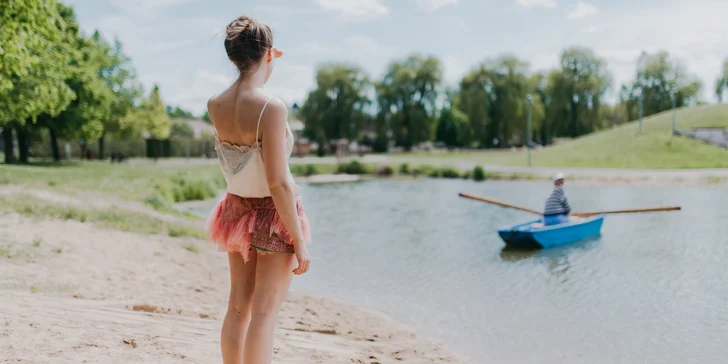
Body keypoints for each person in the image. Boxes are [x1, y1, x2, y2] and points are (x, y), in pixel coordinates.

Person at [205, 14, 312, 364]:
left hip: (235, 209)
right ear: (268, 53)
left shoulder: (215, 104)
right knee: (265, 313)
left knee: (238, 306)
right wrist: (298, 239)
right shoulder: (271, 106)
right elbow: (278, 182)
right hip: (272, 212)